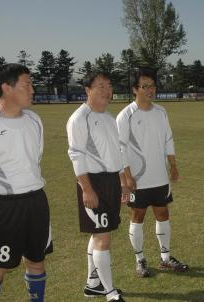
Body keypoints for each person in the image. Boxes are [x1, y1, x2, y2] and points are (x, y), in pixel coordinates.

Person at [0, 64, 53, 302]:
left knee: (37, 262)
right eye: (27, 84)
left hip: (36, 201)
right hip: (3, 208)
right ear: (7, 87)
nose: (33, 89)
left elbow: (36, 157)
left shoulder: (35, 120)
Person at [116, 68, 188, 278]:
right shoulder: (125, 115)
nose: (150, 90)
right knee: (137, 215)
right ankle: (140, 260)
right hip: (138, 178)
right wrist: (127, 176)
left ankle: (165, 258)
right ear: (135, 89)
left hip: (160, 176)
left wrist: (172, 165)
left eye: (152, 86)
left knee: (163, 213)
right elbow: (121, 148)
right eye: (145, 86)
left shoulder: (161, 111)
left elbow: (168, 139)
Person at [66, 72, 128, 302]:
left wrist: (122, 181)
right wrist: (87, 189)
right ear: (87, 90)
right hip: (93, 182)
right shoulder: (79, 118)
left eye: (109, 85)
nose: (106, 90)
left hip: (111, 181)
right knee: (103, 237)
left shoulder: (109, 118)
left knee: (100, 233)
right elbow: (76, 155)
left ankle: (93, 284)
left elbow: (116, 153)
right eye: (100, 86)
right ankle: (109, 292)